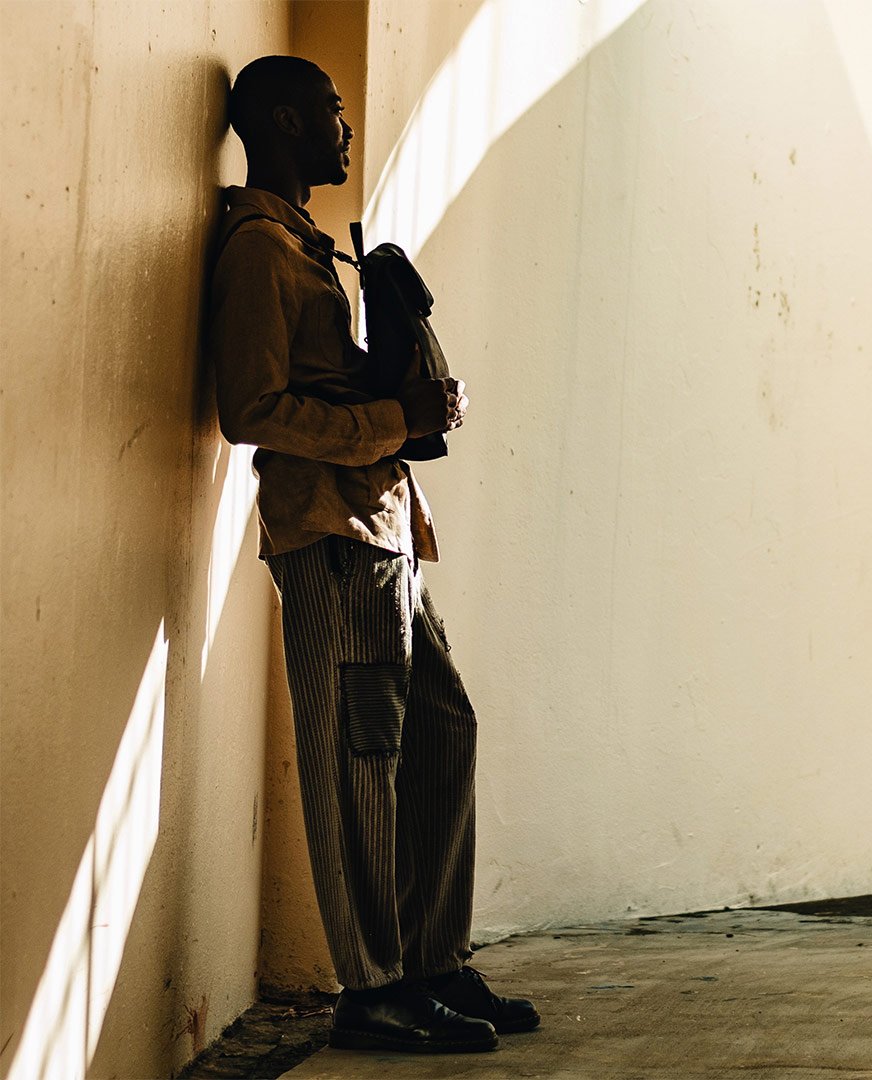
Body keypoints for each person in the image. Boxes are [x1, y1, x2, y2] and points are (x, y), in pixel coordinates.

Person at [206, 55, 538, 1051]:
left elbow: (341, 388)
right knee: (361, 761)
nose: (345, 129)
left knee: (442, 730)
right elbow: (251, 412)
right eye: (331, 113)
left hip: (384, 525)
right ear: (281, 120)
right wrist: (394, 415)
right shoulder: (261, 250)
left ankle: (433, 958)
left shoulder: (311, 245)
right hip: (332, 538)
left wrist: (417, 400)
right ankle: (374, 987)